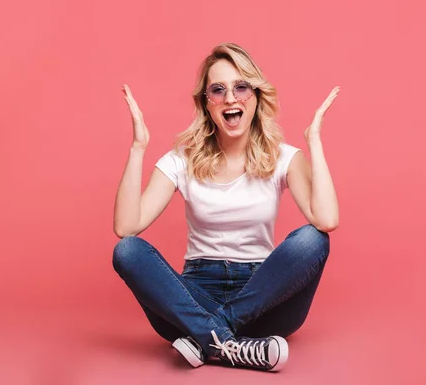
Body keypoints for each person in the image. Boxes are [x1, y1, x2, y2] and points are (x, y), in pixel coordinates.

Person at [112, 43, 340, 372]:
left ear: (257, 96)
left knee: (314, 239)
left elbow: (327, 219)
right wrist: (138, 147)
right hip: (193, 296)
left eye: (241, 87)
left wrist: (314, 141)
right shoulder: (181, 160)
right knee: (128, 251)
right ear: (207, 104)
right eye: (218, 90)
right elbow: (126, 227)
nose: (231, 98)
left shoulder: (284, 158)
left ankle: (208, 336)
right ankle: (233, 345)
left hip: (264, 296)